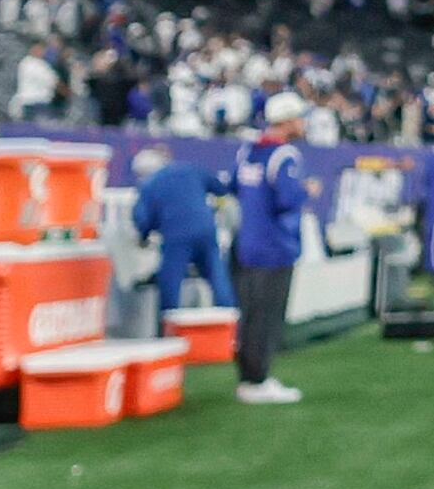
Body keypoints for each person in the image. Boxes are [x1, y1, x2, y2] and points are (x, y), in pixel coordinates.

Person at [228, 96, 319, 406]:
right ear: (289, 120)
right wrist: (307, 189)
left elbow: (235, 187)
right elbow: (286, 199)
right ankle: (258, 379)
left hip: (248, 243)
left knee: (250, 313)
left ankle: (249, 376)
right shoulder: (284, 156)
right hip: (274, 245)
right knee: (267, 316)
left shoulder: (248, 151)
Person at [133, 137, 233, 340]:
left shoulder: (150, 184)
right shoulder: (189, 169)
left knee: (170, 282)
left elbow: (142, 219)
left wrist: (144, 236)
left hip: (176, 234)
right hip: (206, 228)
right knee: (217, 277)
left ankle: (168, 333)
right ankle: (230, 330)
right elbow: (220, 188)